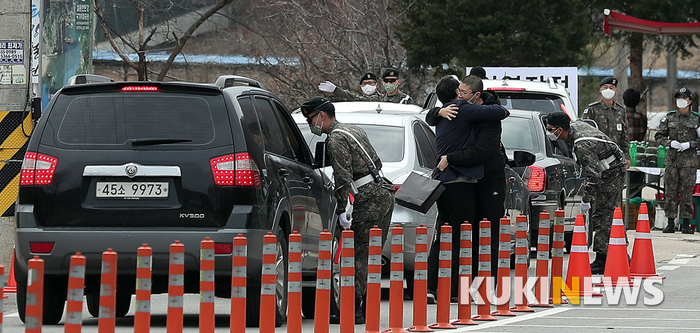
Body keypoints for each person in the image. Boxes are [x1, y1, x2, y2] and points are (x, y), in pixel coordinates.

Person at [300, 96, 395, 324]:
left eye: (310, 118)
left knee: (357, 254)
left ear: (321, 115)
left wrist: (343, 209)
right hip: (382, 193)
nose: (310, 123)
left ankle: (353, 310)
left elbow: (343, 177)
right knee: (372, 252)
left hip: (367, 199)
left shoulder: (335, 139)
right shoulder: (353, 130)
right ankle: (365, 306)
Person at [423, 75, 510, 301]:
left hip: (482, 180)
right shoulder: (460, 109)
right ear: (454, 95)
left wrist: (450, 157)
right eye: (459, 92)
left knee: (464, 233)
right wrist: (437, 112)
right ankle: (451, 288)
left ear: (476, 95)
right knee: (460, 236)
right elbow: (502, 112)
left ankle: (473, 286)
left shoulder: (460, 111)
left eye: (464, 92)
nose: (461, 96)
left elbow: (484, 149)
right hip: (460, 182)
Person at [544, 111, 626, 274]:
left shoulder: (582, 144)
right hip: (605, 169)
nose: (550, 133)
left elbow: (593, 174)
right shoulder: (572, 131)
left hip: (612, 172)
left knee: (603, 213)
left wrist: (586, 199)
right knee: (605, 214)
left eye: (551, 129)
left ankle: (603, 259)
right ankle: (620, 253)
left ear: (560, 129)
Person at [654, 88, 699, 234]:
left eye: (684, 98)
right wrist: (669, 143)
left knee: (687, 193)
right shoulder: (669, 118)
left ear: (690, 101)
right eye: (678, 98)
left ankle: (686, 223)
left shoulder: (697, 119)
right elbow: (658, 136)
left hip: (689, 163)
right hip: (672, 161)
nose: (680, 100)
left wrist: (690, 145)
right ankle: (670, 222)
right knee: (671, 193)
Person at [582, 77, 630, 166]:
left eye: (611, 88)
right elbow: (584, 133)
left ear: (616, 90)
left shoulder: (621, 111)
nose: (608, 90)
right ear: (600, 90)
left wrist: (626, 156)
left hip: (616, 157)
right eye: (605, 87)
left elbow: (625, 136)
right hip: (597, 157)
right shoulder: (592, 109)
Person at [623, 88, 647, 198]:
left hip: (621, 155)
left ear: (624, 101)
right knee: (636, 186)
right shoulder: (642, 118)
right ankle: (635, 208)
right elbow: (642, 136)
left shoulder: (620, 117)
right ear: (637, 102)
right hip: (637, 156)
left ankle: (621, 210)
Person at [318, 72, 384, 101]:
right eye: (364, 84)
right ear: (361, 87)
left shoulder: (382, 99)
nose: (367, 86)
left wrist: (336, 90)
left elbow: (356, 98)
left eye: (370, 83)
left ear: (377, 85)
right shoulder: (356, 103)